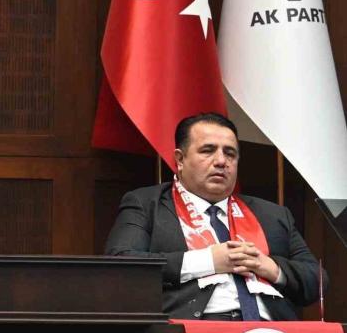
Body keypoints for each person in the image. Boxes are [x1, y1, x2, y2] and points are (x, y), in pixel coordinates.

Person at [105, 112, 325, 321]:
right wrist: (209, 261)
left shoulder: (272, 215)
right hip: (189, 332)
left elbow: (318, 279)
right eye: (207, 151)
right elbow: (121, 264)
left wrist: (271, 268)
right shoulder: (147, 204)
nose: (221, 161)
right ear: (180, 159)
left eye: (230, 153)